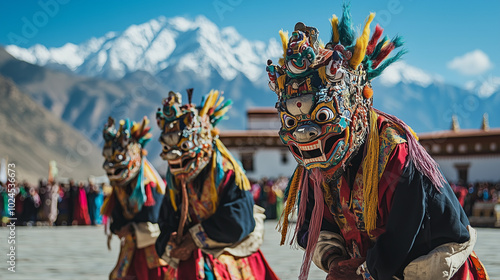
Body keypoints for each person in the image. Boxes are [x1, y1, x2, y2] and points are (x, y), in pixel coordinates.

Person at [266, 4, 489, 280]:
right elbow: (317, 220)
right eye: (291, 122)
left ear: (357, 106)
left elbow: (410, 232)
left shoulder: (396, 153)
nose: (304, 133)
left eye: (322, 115)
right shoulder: (318, 164)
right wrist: (336, 261)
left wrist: (366, 270)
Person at [155, 89, 279, 279]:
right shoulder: (177, 180)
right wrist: (171, 241)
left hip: (227, 252)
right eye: (168, 148)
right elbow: (166, 218)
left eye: (184, 146)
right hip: (189, 259)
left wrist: (195, 238)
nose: (174, 156)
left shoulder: (228, 173)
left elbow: (238, 220)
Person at [100, 116, 174, 280]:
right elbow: (117, 215)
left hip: (152, 250)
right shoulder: (120, 188)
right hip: (131, 248)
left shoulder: (151, 185)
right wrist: (118, 227)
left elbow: (154, 220)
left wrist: (132, 229)